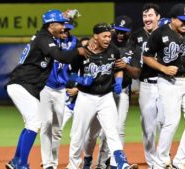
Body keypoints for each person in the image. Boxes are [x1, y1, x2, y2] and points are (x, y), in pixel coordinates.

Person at [5, 9, 89, 169]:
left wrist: (65, 17)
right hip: (22, 84)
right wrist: (78, 51)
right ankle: (21, 164)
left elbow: (60, 32)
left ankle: (16, 160)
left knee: (31, 123)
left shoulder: (45, 36)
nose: (64, 28)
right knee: (35, 122)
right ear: (51, 25)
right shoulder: (44, 38)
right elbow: (61, 56)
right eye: (60, 25)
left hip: (24, 85)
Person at [143, 3, 185, 169]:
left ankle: (179, 161)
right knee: (172, 121)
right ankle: (160, 161)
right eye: (182, 20)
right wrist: (163, 67)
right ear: (172, 19)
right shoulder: (160, 33)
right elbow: (147, 56)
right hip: (168, 82)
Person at [68, 23, 137, 169]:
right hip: (86, 98)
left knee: (112, 130)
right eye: (104, 36)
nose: (108, 39)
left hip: (106, 97)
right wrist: (80, 80)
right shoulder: (83, 52)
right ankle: (75, 164)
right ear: (95, 36)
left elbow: (118, 68)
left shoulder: (113, 50)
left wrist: (118, 81)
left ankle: (121, 162)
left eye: (109, 36)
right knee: (78, 135)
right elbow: (70, 74)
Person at [38, 21, 79, 169]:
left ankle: (53, 162)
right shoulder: (48, 41)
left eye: (67, 30)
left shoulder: (74, 42)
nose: (65, 32)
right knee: (45, 124)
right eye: (63, 29)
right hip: (46, 87)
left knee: (57, 129)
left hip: (61, 89)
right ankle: (47, 162)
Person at [130, 3, 161, 168]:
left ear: (158, 17)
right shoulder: (137, 36)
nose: (147, 19)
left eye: (150, 16)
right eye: (144, 16)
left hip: (165, 83)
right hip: (146, 84)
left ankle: (163, 159)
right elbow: (134, 59)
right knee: (148, 126)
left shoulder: (167, 32)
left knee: (165, 122)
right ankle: (152, 162)